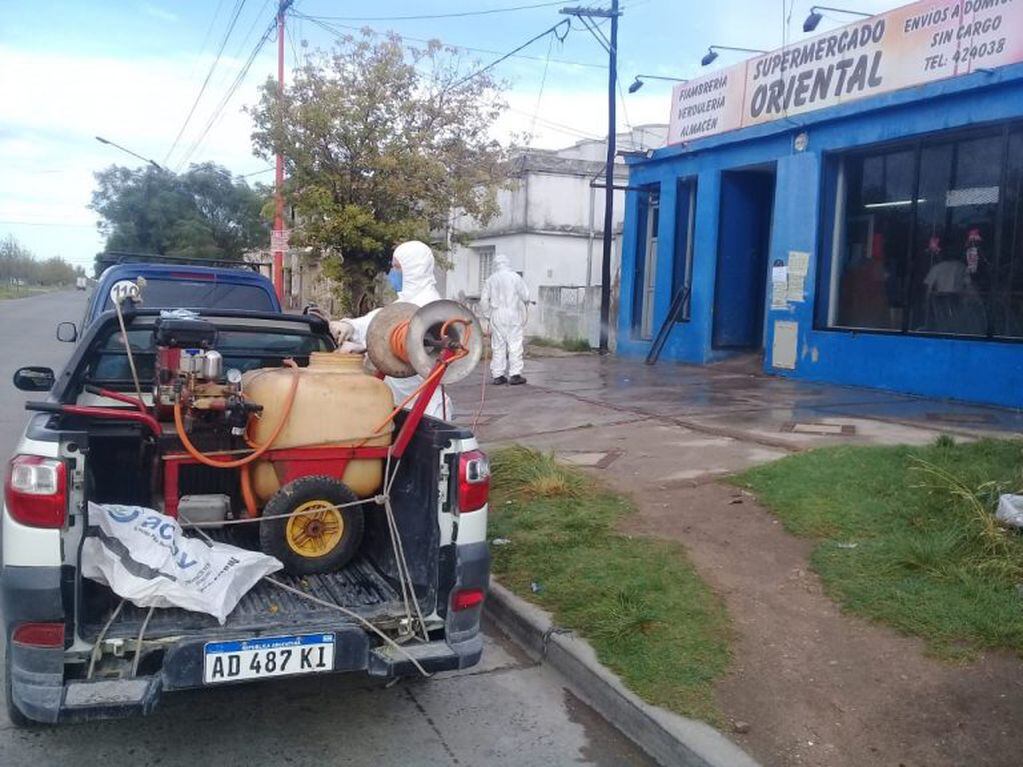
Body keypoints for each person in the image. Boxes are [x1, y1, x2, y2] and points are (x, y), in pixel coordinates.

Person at [329, 240, 451, 419]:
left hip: (423, 409)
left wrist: (362, 345)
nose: (392, 273)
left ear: (413, 270)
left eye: (397, 268)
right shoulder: (406, 301)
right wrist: (350, 326)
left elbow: (394, 332)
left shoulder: (427, 306)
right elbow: (381, 319)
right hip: (401, 401)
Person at [480, 253, 529, 385]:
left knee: (498, 345)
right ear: (507, 263)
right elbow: (525, 296)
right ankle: (515, 374)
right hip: (513, 313)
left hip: (497, 314)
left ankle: (498, 375)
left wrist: (488, 314)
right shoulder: (515, 277)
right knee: (515, 344)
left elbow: (484, 300)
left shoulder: (491, 279)